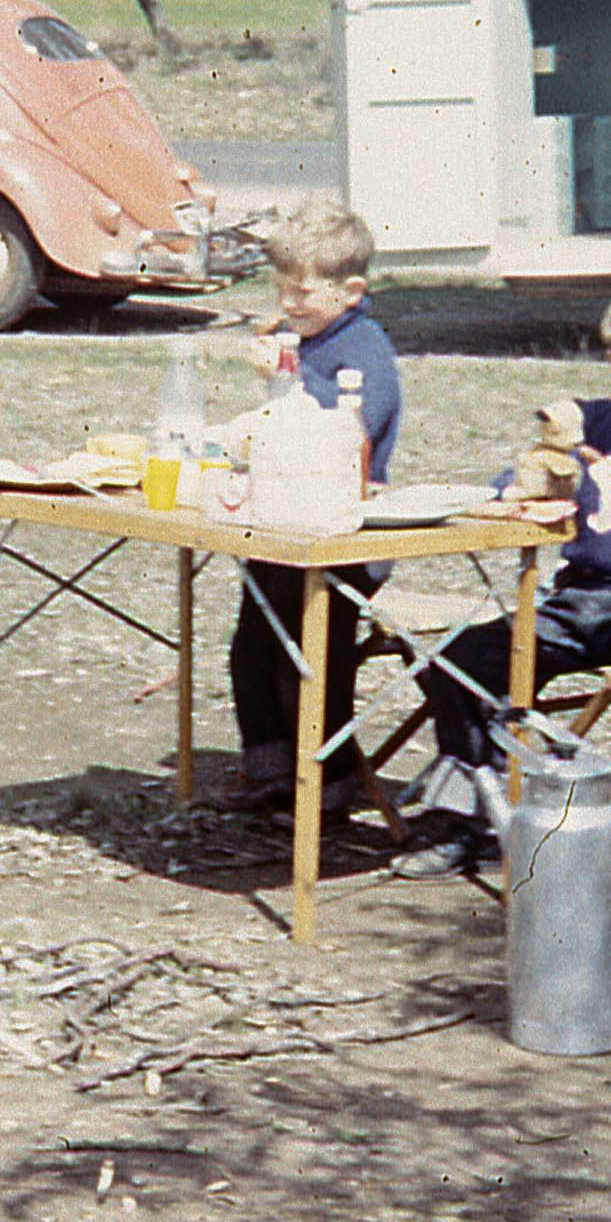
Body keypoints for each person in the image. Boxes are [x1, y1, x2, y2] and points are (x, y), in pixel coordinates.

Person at [397, 276, 611, 903]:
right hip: (578, 600)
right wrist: (522, 484)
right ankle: (473, 814)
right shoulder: (596, 425)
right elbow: (529, 470)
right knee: (460, 659)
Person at [220, 200, 404, 813]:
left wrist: (290, 376)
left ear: (351, 291)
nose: (289, 305)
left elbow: (353, 427)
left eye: (302, 293)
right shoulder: (310, 338)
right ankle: (269, 768)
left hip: (342, 534)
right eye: (281, 290)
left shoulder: (364, 347)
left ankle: (328, 783)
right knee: (253, 643)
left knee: (313, 654)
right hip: (281, 520)